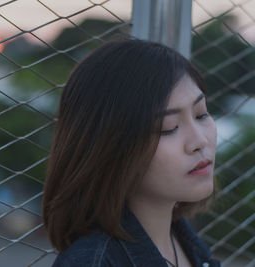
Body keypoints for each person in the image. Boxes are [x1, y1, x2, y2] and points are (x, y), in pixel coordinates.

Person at [42, 37, 221, 267]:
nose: (199, 140)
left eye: (201, 114)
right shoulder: (92, 263)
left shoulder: (183, 239)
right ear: (113, 146)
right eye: (168, 128)